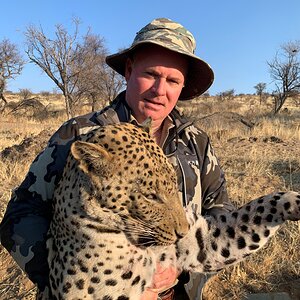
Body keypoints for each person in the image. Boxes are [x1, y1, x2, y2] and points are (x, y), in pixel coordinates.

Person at [0, 18, 234, 300]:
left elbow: (221, 215)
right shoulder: (80, 134)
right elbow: (20, 216)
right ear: (129, 70)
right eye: (151, 74)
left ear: (182, 87)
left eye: (173, 80)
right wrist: (68, 277)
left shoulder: (197, 142)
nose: (160, 90)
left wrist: (181, 269)